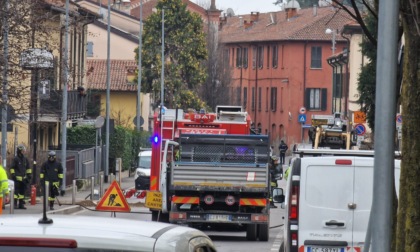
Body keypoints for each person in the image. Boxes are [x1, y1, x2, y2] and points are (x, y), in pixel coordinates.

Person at [10, 144, 31, 209]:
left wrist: (29, 176)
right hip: (17, 179)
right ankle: (15, 204)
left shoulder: (25, 159)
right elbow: (12, 168)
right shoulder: (16, 159)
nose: (23, 152)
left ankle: (21, 204)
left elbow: (28, 168)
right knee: (16, 193)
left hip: (23, 179)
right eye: (22, 151)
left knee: (22, 193)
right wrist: (13, 175)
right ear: (19, 151)